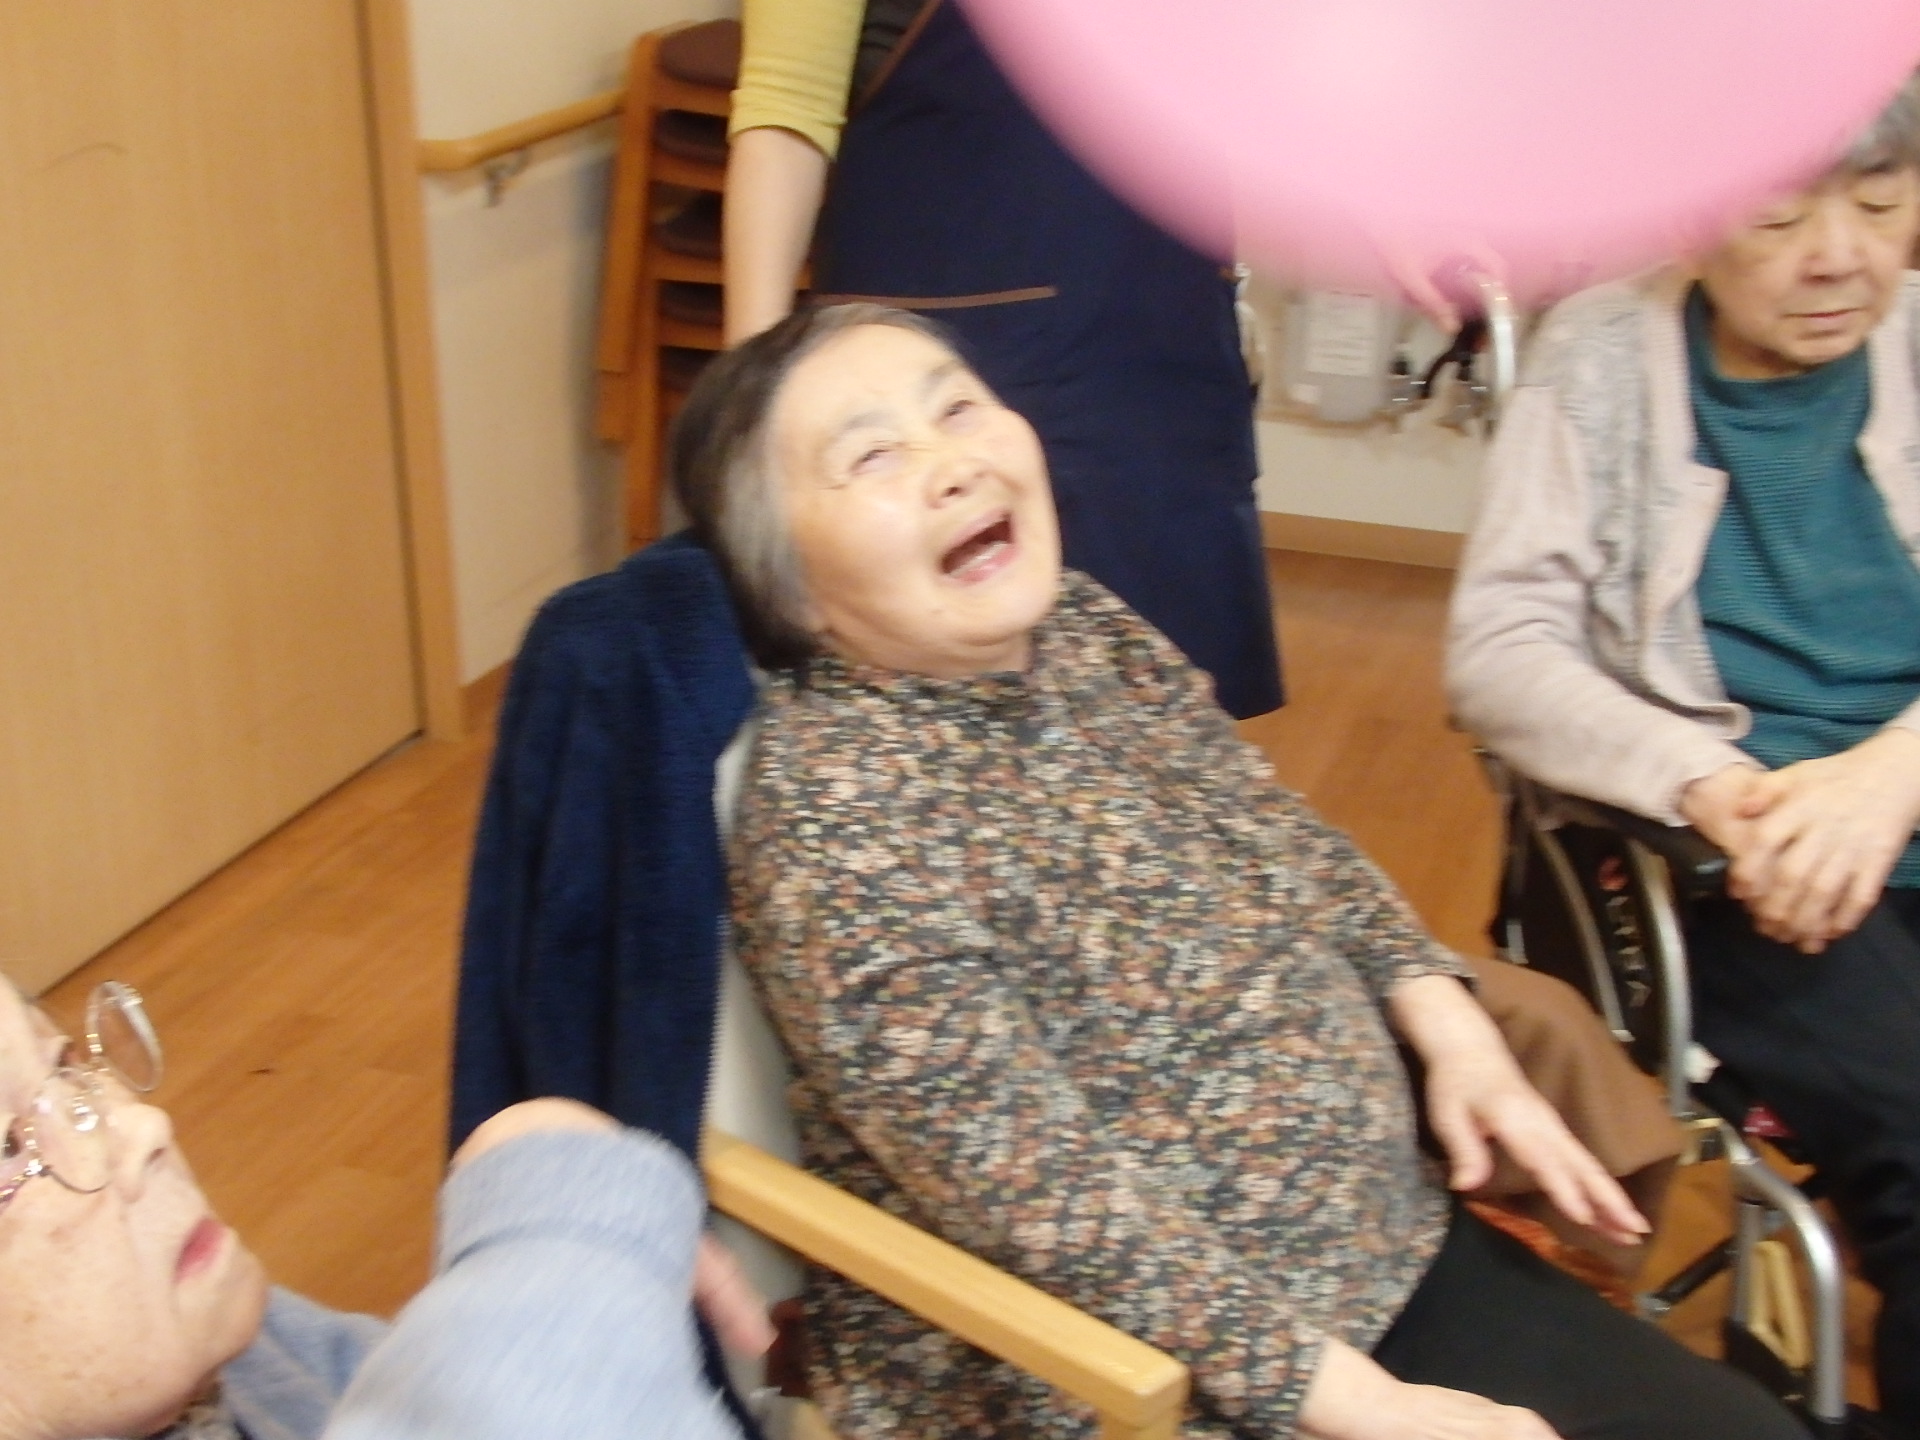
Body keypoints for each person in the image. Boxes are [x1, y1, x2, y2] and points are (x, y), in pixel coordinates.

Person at [670, 302, 1799, 1440]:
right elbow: (1048, 1204)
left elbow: (1276, 834)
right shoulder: (838, 824)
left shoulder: (1081, 629)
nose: (951, 462)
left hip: (1378, 1247)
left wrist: (1450, 1026)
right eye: (871, 456)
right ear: (793, 592)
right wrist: (1369, 1407)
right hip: (1132, 1380)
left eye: (957, 406)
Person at [1447, 77, 1920, 1437]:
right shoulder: (1602, 364)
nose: (1839, 256)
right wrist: (1709, 785)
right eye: (1780, 218)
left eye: (1881, 204)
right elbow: (1500, 649)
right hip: (1738, 861)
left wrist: (1889, 776)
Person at [723, 0, 1284, 719]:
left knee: (1169, 720)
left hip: (1163, 355)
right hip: (963, 364)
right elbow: (785, 116)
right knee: (953, 725)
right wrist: (749, 411)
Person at [0, 974, 769, 1440]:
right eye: (6, 1144)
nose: (144, 1126)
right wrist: (561, 1228)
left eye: (64, 1060)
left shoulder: (229, 1353)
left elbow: (385, 1387)